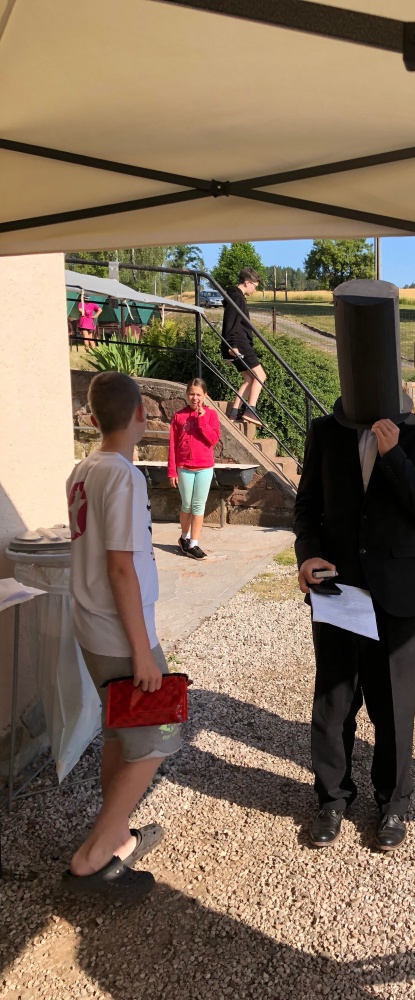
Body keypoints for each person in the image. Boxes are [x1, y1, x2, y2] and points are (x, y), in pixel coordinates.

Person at [294, 279, 415, 852]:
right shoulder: (324, 433)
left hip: (398, 596)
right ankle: (332, 800)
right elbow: (307, 507)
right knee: (333, 704)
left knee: (393, 709)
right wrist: (306, 555)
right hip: (337, 592)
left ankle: (393, 805)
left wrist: (393, 456)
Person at [63, 371, 182, 901]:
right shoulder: (125, 477)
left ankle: (114, 833)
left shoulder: (82, 469)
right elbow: (120, 568)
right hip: (119, 633)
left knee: (119, 731)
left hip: (92, 626)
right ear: (141, 414)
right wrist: (142, 652)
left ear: (93, 419)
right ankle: (95, 854)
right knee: (157, 736)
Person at [167, 377, 221, 561]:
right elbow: (172, 445)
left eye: (198, 394)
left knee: (198, 505)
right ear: (186, 395)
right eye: (191, 394)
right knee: (187, 504)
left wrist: (201, 419)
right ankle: (184, 537)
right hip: (184, 467)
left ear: (205, 395)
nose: (195, 398)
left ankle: (194, 543)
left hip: (204, 467)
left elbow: (213, 440)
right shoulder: (179, 416)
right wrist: (172, 471)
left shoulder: (211, 415)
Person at [221, 268, 266, 424]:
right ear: (247, 282)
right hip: (240, 344)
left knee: (249, 379)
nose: (255, 289)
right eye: (255, 286)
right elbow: (230, 322)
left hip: (237, 343)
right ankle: (251, 411)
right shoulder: (237, 297)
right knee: (260, 376)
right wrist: (232, 345)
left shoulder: (234, 296)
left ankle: (234, 413)